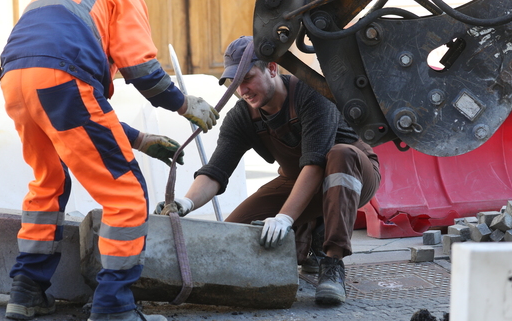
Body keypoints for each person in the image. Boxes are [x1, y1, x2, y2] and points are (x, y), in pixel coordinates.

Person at [0, 0, 218, 321]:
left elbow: (79, 108)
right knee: (127, 194)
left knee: (47, 181)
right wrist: (184, 104)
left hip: (15, 83)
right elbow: (142, 70)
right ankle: (114, 306)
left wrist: (141, 138)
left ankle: (27, 291)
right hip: (61, 80)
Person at [158, 36, 380, 305]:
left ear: (272, 68)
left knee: (339, 154)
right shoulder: (242, 116)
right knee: (233, 236)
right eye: (236, 83)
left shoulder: (312, 94)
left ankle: (332, 262)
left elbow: (314, 164)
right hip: (296, 179)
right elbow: (216, 171)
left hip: (352, 174)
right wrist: (185, 202)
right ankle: (312, 233)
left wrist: (285, 217)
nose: (243, 89)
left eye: (248, 78)